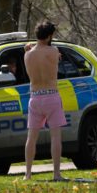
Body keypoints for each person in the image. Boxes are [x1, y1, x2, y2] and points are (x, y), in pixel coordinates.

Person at [23, 21, 67, 181]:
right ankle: (56, 173)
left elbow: (29, 49)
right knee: (55, 136)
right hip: (52, 96)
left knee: (31, 137)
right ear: (49, 36)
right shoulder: (53, 50)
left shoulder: (27, 54)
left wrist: (27, 48)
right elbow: (57, 57)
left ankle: (27, 174)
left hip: (35, 97)